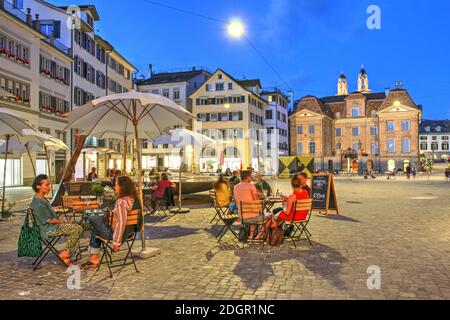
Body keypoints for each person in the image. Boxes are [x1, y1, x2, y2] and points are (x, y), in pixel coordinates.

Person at [82, 176, 141, 269]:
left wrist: (116, 242)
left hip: (117, 235)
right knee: (96, 227)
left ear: (123, 187)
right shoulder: (134, 200)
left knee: (92, 219)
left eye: (116, 185)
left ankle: (94, 258)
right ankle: (93, 258)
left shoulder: (121, 202)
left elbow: (121, 223)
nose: (115, 187)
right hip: (130, 233)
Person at [29, 175, 87, 267]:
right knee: (76, 229)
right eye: (47, 185)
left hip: (50, 226)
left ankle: (70, 253)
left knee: (79, 226)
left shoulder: (41, 199)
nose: (49, 187)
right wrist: (63, 222)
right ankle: (65, 253)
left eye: (49, 184)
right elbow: (49, 220)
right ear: (38, 186)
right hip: (47, 229)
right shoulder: (38, 203)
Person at [234, 170, 267, 240]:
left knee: (254, 213)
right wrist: (259, 195)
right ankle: (258, 236)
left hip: (241, 216)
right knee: (271, 216)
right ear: (247, 177)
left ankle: (251, 236)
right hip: (253, 216)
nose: (252, 177)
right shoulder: (251, 186)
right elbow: (256, 201)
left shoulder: (235, 187)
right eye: (250, 176)